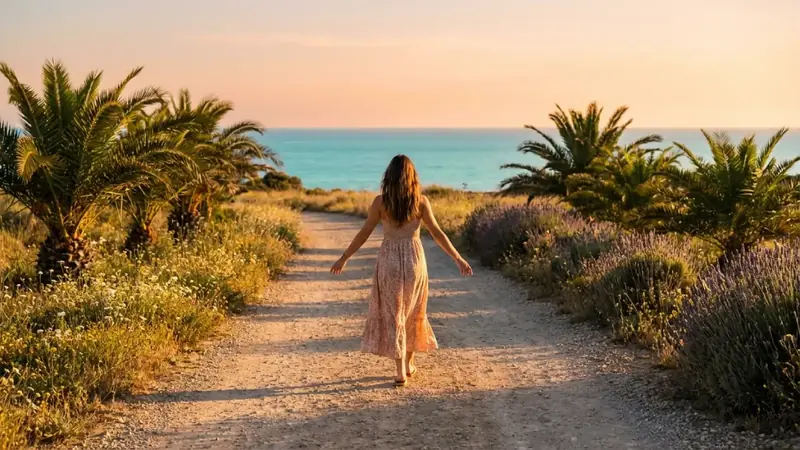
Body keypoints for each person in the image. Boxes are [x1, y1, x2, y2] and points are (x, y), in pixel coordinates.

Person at [330, 155, 473, 387]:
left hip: (389, 261)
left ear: (389, 176)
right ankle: (408, 364)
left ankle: (399, 371)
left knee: (394, 313)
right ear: (412, 176)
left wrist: (344, 257)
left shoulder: (380, 202)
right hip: (414, 260)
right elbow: (437, 233)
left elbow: (364, 233)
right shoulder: (421, 202)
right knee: (413, 311)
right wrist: (457, 258)